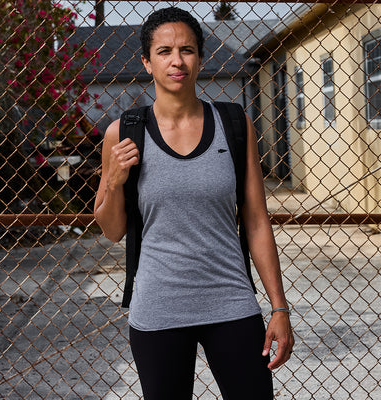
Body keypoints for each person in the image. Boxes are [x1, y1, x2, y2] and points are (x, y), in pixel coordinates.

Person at [94, 7, 294, 400]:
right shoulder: (124, 132)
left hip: (231, 303)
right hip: (158, 309)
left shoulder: (235, 123)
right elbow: (112, 229)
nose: (176, 60)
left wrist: (279, 308)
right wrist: (115, 181)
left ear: (200, 58)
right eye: (164, 50)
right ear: (146, 61)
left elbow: (255, 221)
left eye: (187, 50)